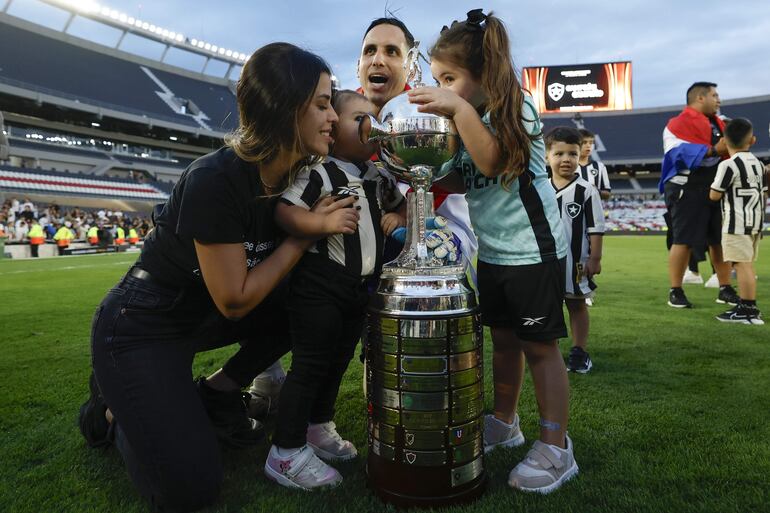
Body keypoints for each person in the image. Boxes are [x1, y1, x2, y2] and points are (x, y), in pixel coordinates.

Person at [77, 43, 344, 512]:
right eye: (322, 104)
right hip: (145, 324)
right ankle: (111, 411)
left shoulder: (300, 176)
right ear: (285, 108)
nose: (334, 118)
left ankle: (217, 392)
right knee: (192, 488)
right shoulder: (214, 179)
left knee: (309, 305)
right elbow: (235, 301)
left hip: (201, 315)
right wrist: (302, 237)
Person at [409, 9, 576, 493]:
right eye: (437, 78)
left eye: (450, 78)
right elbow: (467, 177)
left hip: (533, 249)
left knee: (540, 348)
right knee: (503, 343)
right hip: (497, 254)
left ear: (483, 76)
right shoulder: (467, 119)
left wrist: (456, 112)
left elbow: (492, 159)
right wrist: (419, 166)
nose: (441, 88)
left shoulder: (514, 107)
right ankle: (506, 421)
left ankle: (556, 446)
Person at [264, 90, 406, 490]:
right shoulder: (319, 172)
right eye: (359, 117)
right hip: (319, 285)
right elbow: (284, 211)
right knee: (310, 365)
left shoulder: (377, 176)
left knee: (339, 359)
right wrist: (321, 225)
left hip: (358, 287)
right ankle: (285, 452)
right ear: (332, 127)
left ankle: (316, 425)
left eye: (375, 119)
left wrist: (397, 213)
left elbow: (403, 205)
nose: (371, 126)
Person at [660, 82, 739, 308]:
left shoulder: (718, 122)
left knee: (719, 240)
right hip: (687, 187)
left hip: (714, 185)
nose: (719, 99)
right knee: (683, 240)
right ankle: (675, 290)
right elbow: (677, 155)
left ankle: (724, 287)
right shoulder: (676, 124)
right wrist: (715, 149)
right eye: (715, 95)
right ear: (700, 98)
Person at [546, 127, 604, 373]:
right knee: (548, 306)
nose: (566, 159)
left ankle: (579, 351)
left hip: (577, 262)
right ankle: (550, 352)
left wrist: (595, 258)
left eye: (572, 153)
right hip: (545, 262)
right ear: (547, 156)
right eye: (559, 154)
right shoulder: (540, 189)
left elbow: (596, 228)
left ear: (579, 155)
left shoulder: (587, 191)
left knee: (577, 303)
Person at [709, 118, 766, 324]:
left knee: (741, 265)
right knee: (746, 264)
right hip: (755, 222)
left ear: (724, 141)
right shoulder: (759, 165)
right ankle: (747, 307)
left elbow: (714, 195)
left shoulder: (728, 165)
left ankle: (748, 309)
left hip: (736, 222)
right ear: (752, 140)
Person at [577, 129, 611, 201]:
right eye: (584, 142)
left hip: (594, 210)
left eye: (591, 142)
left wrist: (596, 191)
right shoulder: (568, 166)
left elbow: (607, 194)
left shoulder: (600, 166)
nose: (588, 145)